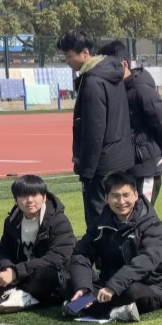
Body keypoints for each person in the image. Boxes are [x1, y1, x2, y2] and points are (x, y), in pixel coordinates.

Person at [67, 171, 162, 322]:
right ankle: (98, 304)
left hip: (149, 285)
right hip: (107, 284)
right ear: (106, 198)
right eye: (115, 196)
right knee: (68, 280)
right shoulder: (100, 224)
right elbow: (81, 254)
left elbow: (147, 260)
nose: (121, 201)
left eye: (126, 195)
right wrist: (82, 286)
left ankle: (88, 307)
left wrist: (114, 286)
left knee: (131, 292)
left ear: (136, 195)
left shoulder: (152, 224)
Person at [56, 29, 134, 229]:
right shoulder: (111, 74)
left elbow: (94, 131)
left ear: (85, 53)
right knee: (122, 218)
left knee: (99, 223)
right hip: (122, 157)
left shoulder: (93, 81)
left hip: (102, 165)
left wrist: (87, 171)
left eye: (69, 56)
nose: (67, 61)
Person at [97, 40, 162, 204]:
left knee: (143, 214)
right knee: (124, 213)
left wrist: (153, 154)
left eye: (110, 66)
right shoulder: (116, 90)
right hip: (125, 166)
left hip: (144, 167)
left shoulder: (142, 90)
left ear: (124, 64)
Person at [0, 175, 76, 313]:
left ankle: (21, 294)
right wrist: (7, 268)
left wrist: (16, 272)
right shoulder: (12, 221)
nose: (30, 200)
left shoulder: (59, 221)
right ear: (16, 200)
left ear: (44, 197)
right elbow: (3, 250)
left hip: (49, 274)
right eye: (24, 196)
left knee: (47, 274)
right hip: (21, 272)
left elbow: (57, 258)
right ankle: (16, 291)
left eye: (34, 194)